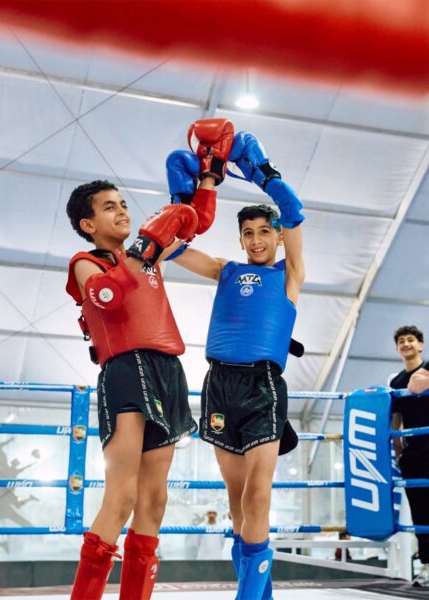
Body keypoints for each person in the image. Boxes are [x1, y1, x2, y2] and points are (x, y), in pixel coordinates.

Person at [65, 119, 233, 600]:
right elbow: (107, 295)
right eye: (109, 207)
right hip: (125, 370)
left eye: (123, 204)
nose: (121, 211)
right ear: (88, 225)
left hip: (167, 370)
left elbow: (195, 222)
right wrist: (143, 248)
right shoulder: (86, 262)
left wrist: (209, 176)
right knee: (121, 495)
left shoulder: (152, 253)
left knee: (155, 500)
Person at [166, 130, 304, 600]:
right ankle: (261, 595)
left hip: (263, 386)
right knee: (236, 500)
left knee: (257, 494)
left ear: (277, 235)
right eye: (248, 232)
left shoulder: (289, 274)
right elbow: (170, 248)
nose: (257, 239)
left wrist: (263, 174)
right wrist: (191, 193)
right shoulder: (226, 270)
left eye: (265, 231)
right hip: (219, 384)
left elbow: (294, 211)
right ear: (240, 237)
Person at [390, 325, 429, 587]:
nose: (406, 344)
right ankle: (427, 565)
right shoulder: (395, 382)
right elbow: (395, 417)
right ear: (397, 348)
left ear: (420, 345)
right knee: (420, 512)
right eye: (401, 341)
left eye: (411, 340)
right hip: (413, 453)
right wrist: (397, 447)